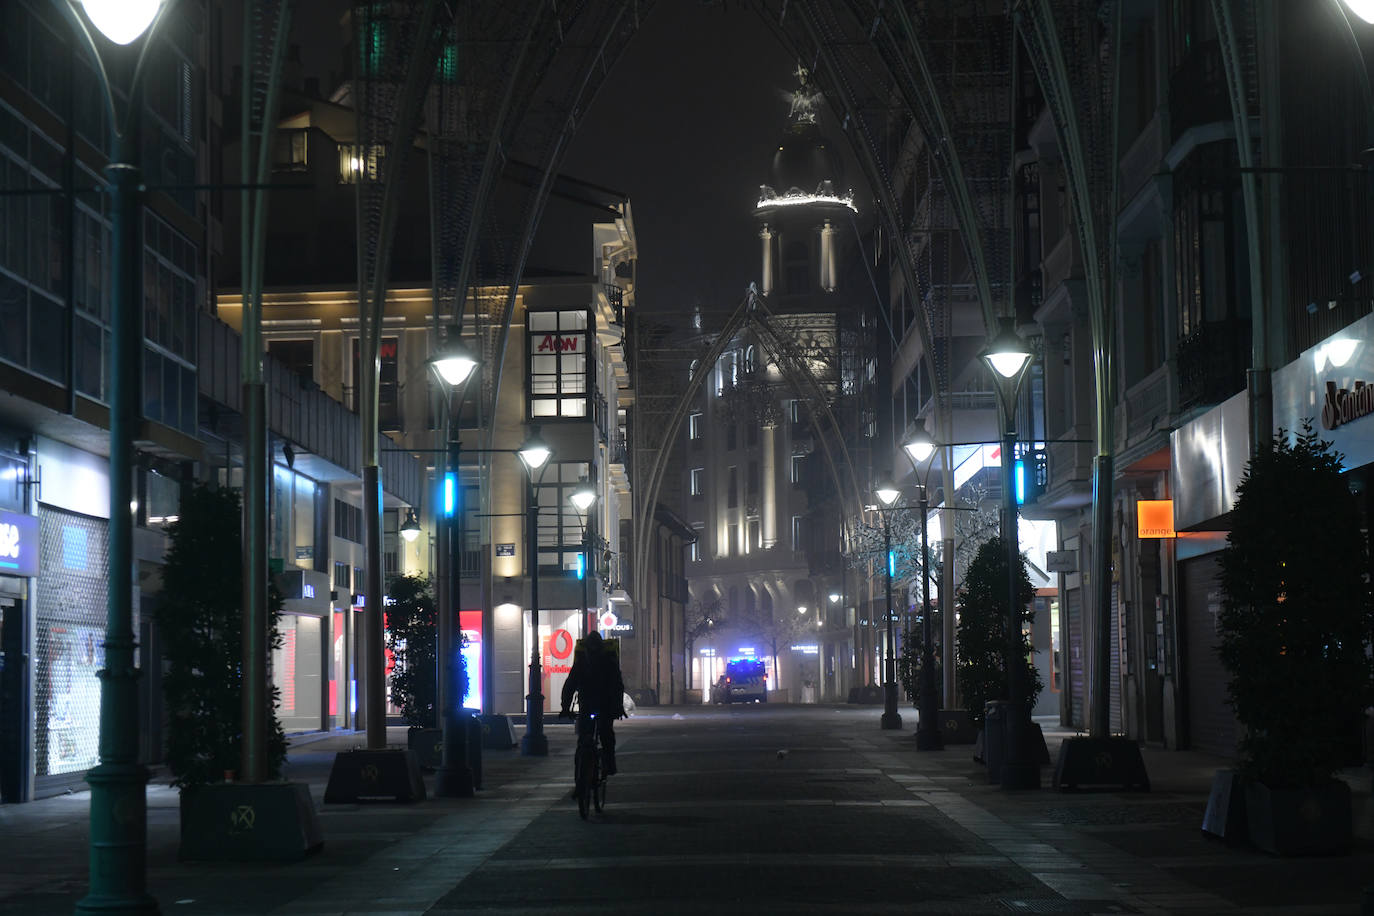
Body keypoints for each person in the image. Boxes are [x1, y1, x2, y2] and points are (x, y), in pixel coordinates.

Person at [559, 631, 625, 775]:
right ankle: (605, 765)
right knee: (595, 738)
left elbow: (570, 685)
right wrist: (617, 707)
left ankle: (588, 775)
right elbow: (617, 686)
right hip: (599, 705)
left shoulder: (583, 664)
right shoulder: (608, 663)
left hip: (595, 705)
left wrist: (565, 707)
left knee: (597, 735)